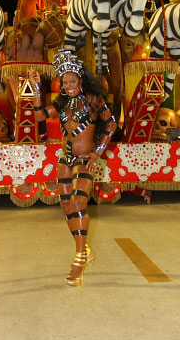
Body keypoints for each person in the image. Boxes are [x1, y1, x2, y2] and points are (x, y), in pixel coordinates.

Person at [28, 50, 117, 286]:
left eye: (72, 81)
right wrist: (37, 87)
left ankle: (79, 258)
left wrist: (98, 152)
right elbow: (39, 116)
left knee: (79, 201)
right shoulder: (62, 101)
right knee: (66, 205)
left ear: (81, 80)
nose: (68, 86)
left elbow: (111, 124)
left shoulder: (94, 99)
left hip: (86, 159)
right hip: (66, 159)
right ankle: (84, 248)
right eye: (64, 82)